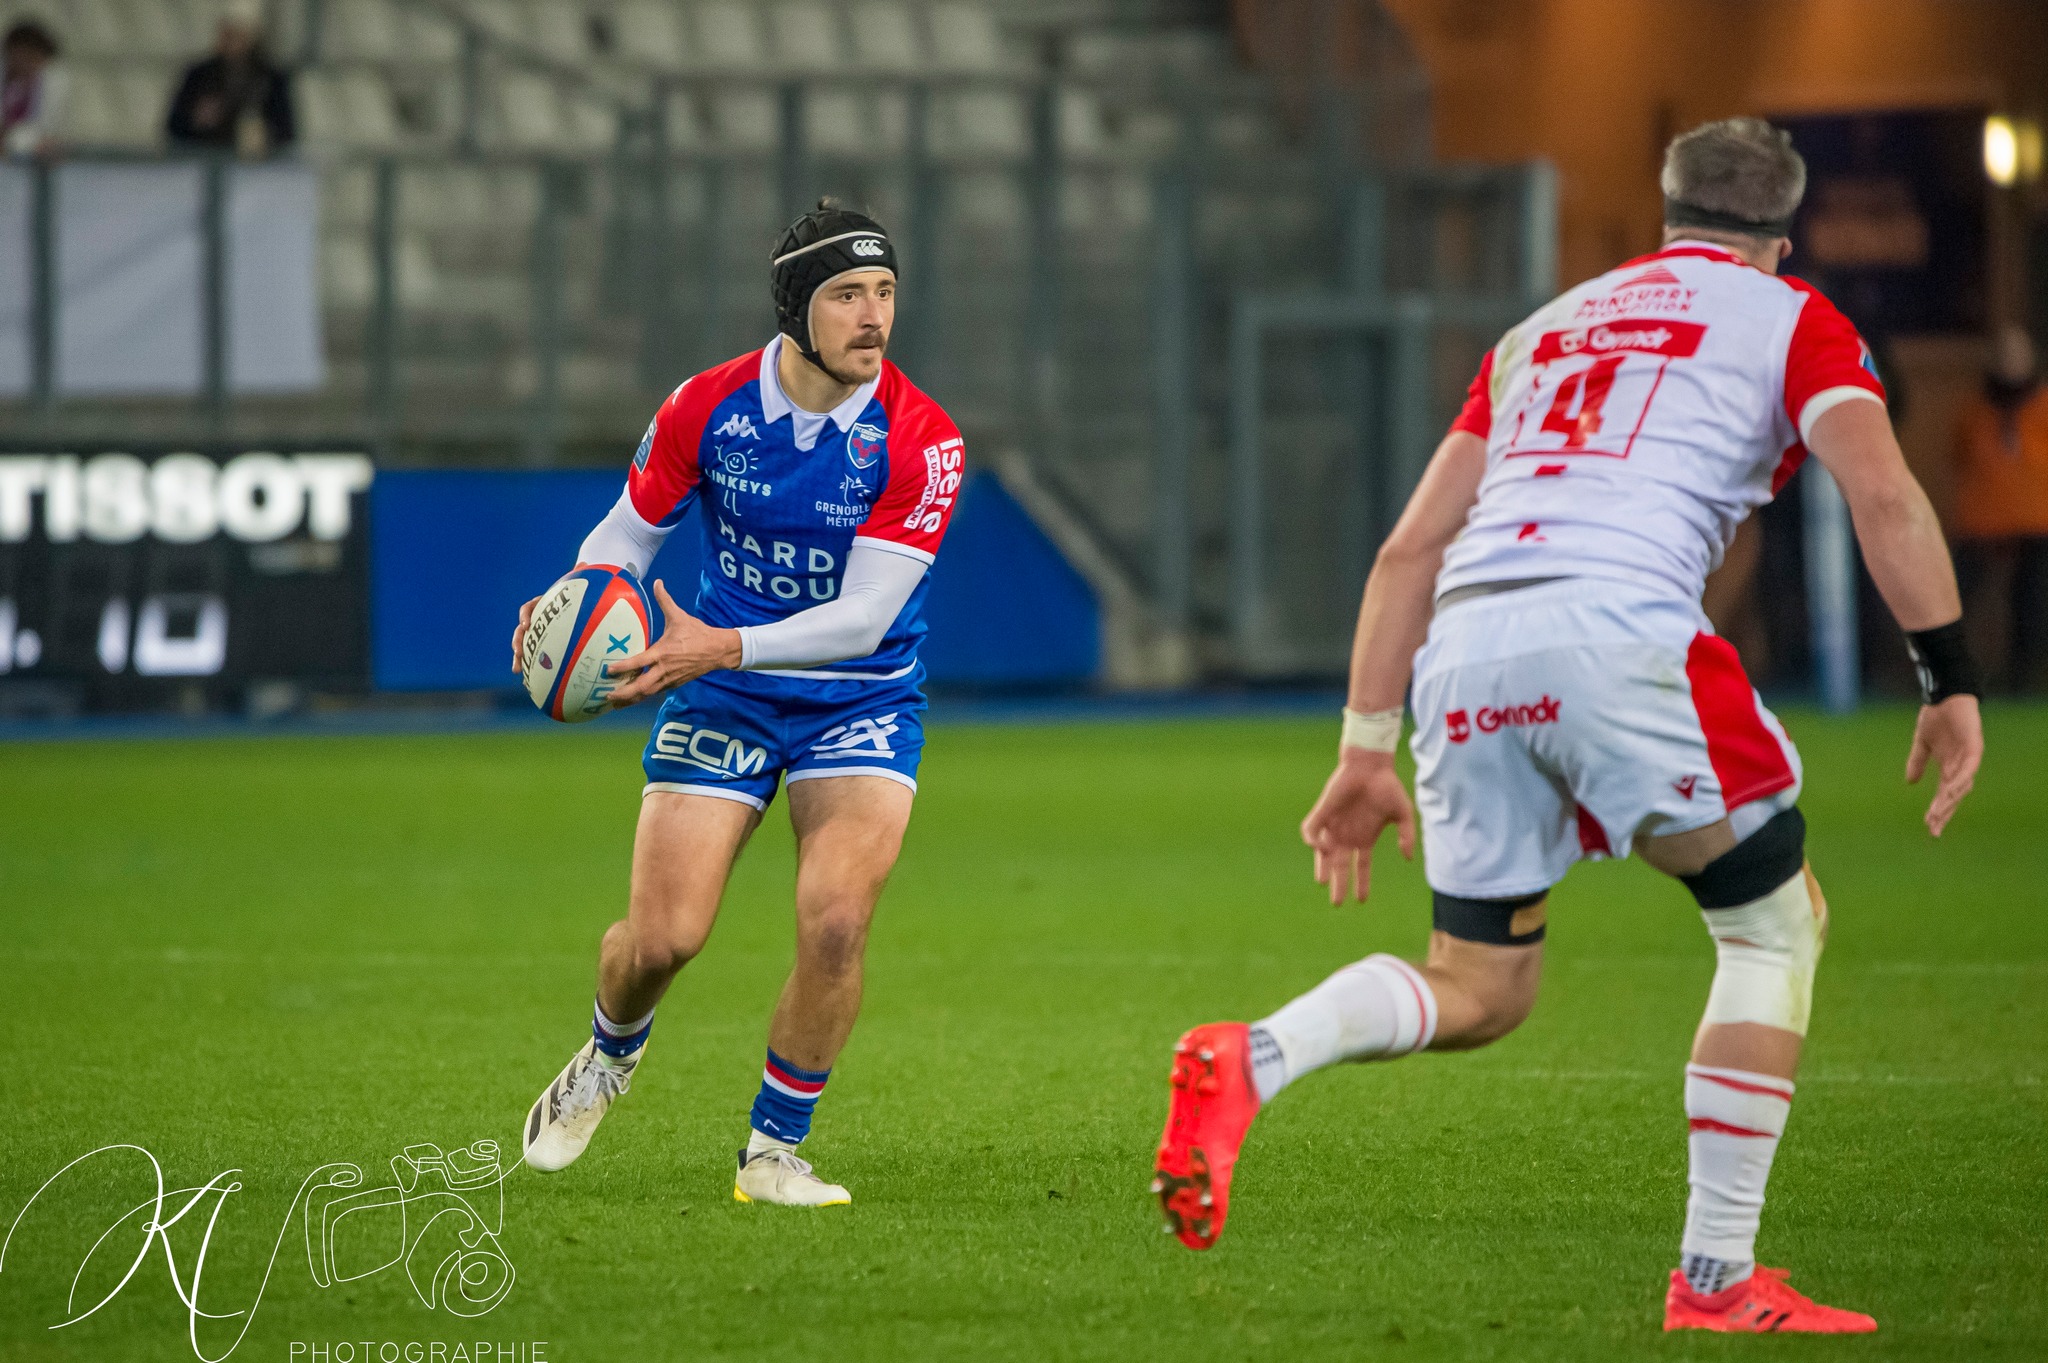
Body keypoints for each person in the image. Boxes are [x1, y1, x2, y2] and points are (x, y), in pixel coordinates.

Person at [1152, 118, 1983, 1334]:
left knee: (1478, 987)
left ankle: (1253, 1056)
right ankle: (1712, 1279)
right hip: (1622, 631)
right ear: (1778, 239)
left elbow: (1408, 548)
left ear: (1666, 215)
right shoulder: (1793, 319)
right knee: (1770, 924)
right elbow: (1883, 493)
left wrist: (1361, 748)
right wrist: (1946, 676)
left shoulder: (1540, 330)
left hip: (1466, 651)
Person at [515, 200, 965, 1208]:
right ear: (794, 308)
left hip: (859, 698)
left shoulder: (922, 439)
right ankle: (607, 1052)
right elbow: (623, 539)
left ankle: (772, 1151)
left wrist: (713, 640)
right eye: (847, 294)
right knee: (661, 940)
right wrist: (568, 604)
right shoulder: (704, 408)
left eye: (885, 293)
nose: (872, 317)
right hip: (722, 694)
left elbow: (863, 617)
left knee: (836, 922)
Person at [1951, 324, 2048, 692]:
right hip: (1982, 522)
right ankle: (1952, 674)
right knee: (1953, 597)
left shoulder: (2043, 407)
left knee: (2032, 604)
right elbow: (1959, 455)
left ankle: (2025, 678)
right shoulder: (1974, 410)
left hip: (2037, 523)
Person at [166, 0, 295, 155]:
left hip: (257, 169)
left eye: (237, 35)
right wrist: (195, 120)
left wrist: (265, 134)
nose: (230, 43)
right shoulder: (199, 75)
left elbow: (287, 131)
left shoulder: (272, 78)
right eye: (226, 34)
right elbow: (173, 126)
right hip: (206, 157)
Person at [1, 19, 65, 157]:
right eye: (28, 57)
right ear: (12, 52)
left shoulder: (51, 85)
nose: (32, 65)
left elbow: (44, 132)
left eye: (38, 60)